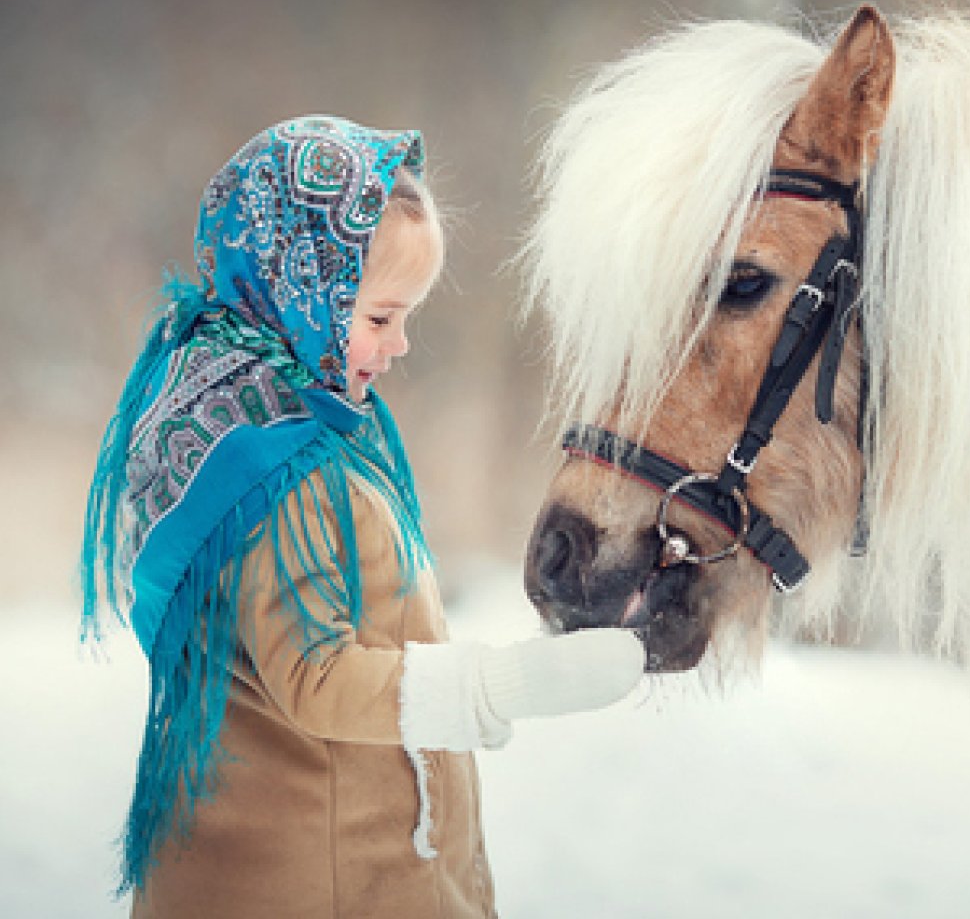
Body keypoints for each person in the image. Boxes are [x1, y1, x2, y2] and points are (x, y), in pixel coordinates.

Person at [80, 115, 645, 918]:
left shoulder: (276, 416)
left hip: (324, 859)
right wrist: (500, 685)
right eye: (380, 317)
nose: (401, 342)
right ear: (298, 287)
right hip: (319, 878)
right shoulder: (276, 462)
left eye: (407, 316)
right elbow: (317, 676)